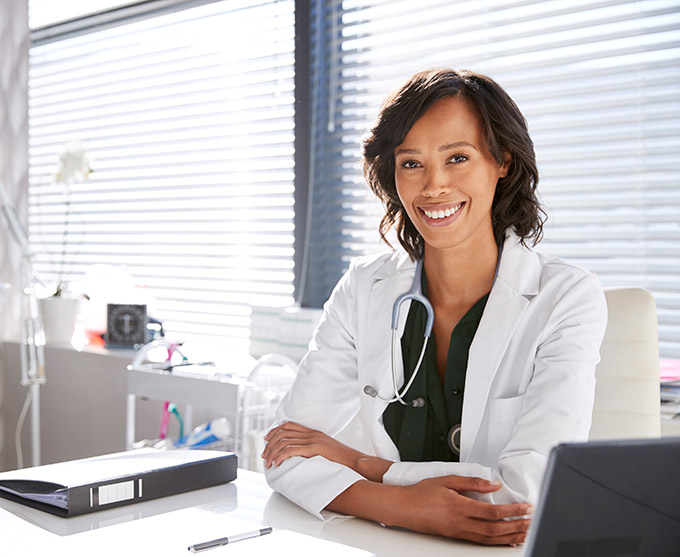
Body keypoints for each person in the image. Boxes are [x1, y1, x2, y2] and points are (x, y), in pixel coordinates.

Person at [261, 68, 608, 546]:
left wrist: (365, 467)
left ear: (503, 160)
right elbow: (287, 452)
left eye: (458, 158)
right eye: (411, 163)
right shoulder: (364, 287)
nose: (433, 186)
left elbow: (522, 500)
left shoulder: (566, 297)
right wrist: (403, 505)